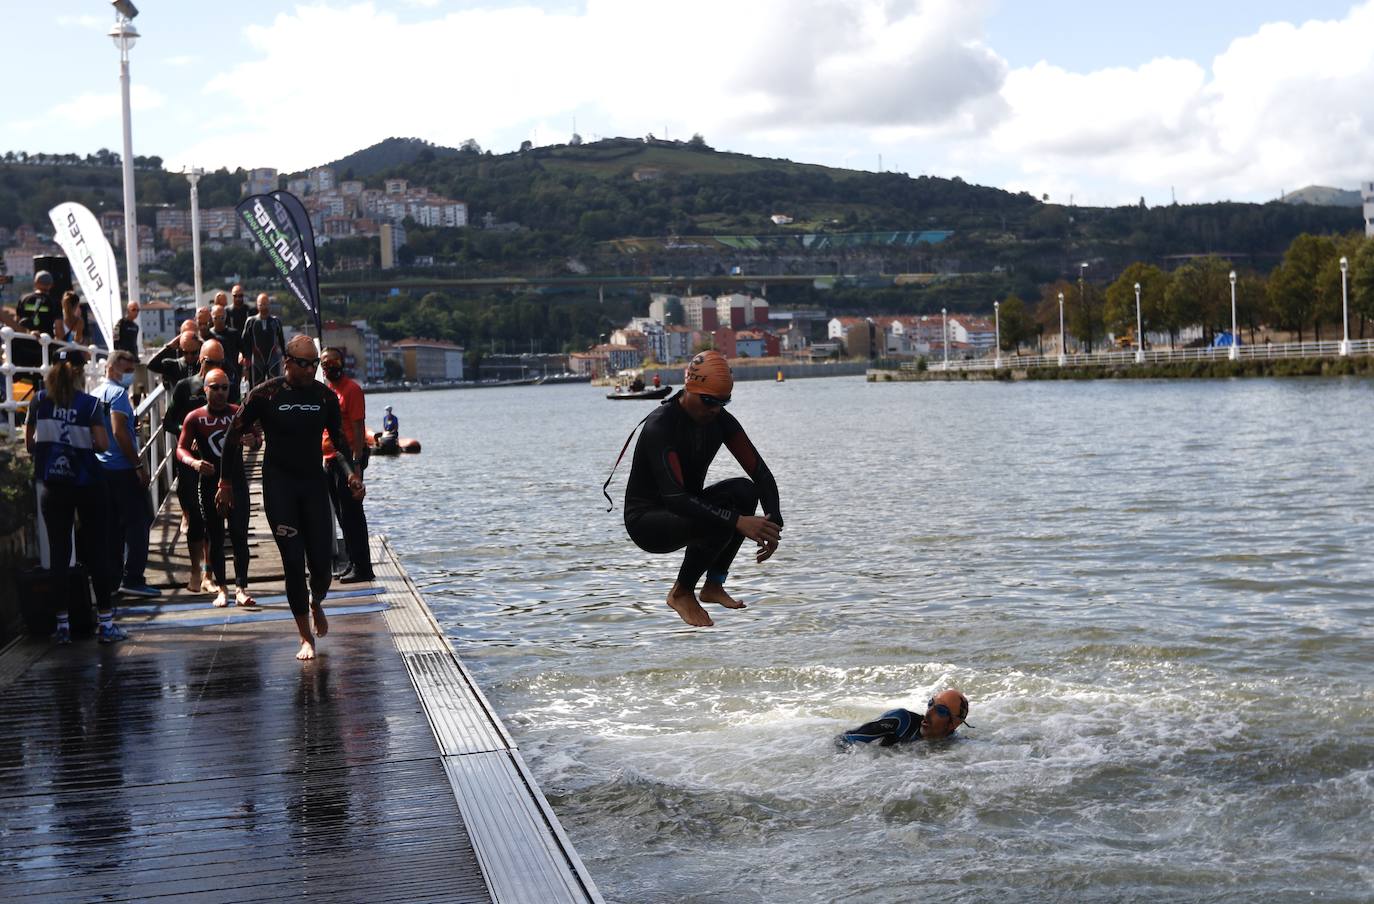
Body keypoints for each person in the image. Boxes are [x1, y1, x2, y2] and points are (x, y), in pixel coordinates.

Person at [222, 335, 365, 661]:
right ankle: (305, 638)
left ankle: (316, 601)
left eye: (314, 363)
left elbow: (340, 445)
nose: (311, 368)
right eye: (304, 363)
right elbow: (232, 437)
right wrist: (225, 482)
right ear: (287, 361)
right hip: (279, 487)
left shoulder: (324, 397)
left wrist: (351, 474)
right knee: (292, 563)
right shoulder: (266, 394)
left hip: (313, 485)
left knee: (322, 568)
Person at [621, 350, 782, 627]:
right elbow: (675, 499)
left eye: (722, 403)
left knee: (745, 492)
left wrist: (773, 522)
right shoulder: (661, 425)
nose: (714, 410)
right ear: (690, 390)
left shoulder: (720, 419)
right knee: (723, 518)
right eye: (708, 402)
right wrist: (738, 522)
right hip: (648, 522)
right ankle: (682, 592)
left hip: (688, 508)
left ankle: (714, 584)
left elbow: (760, 473)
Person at [23, 348, 125, 644]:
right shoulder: (90, 404)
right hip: (87, 483)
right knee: (97, 552)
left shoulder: (38, 401)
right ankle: (105, 625)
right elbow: (103, 445)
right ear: (80, 372)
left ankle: (63, 627)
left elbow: (30, 445)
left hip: (53, 485)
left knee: (58, 556)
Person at [178, 368, 259, 608]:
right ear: (205, 389)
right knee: (214, 536)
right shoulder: (195, 417)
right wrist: (194, 462)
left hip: (237, 484)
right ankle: (222, 588)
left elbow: (257, 439)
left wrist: (252, 441)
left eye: (225, 387)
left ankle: (241, 588)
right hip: (209, 484)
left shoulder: (238, 413)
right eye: (215, 387)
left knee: (238, 535)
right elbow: (180, 449)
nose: (221, 392)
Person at [93, 350, 159, 599]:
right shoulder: (118, 393)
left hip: (101, 469)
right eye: (127, 369)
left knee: (111, 528)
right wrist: (138, 466)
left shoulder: (95, 393)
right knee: (139, 523)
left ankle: (113, 580)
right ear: (112, 368)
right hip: (121, 468)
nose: (130, 374)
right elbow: (119, 431)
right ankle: (134, 578)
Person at [164, 338, 227, 593]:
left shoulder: (225, 386)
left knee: (214, 521)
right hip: (192, 464)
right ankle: (194, 569)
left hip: (216, 463)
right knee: (196, 518)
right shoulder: (184, 387)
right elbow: (168, 421)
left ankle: (208, 573)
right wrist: (187, 435)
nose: (217, 366)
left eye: (221, 362)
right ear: (201, 361)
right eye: (211, 362)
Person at [321, 347, 374, 583]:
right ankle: (351, 561)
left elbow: (358, 428)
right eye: (324, 364)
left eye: (333, 363)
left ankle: (363, 567)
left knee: (353, 515)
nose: (329, 367)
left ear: (341, 363)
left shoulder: (351, 390)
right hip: (330, 460)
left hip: (348, 460)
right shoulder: (326, 390)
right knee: (342, 516)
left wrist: (357, 465)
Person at [839, 689, 973, 746]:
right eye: (930, 704)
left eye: (940, 711)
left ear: (953, 724)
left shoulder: (954, 744)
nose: (928, 713)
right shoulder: (901, 721)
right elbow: (844, 739)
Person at [240, 293, 285, 389]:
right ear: (257, 305)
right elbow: (244, 341)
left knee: (275, 387)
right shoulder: (251, 321)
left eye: (266, 304)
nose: (264, 307)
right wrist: (245, 357)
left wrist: (285, 357)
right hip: (257, 359)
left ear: (269, 305)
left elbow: (281, 340)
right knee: (257, 388)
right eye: (261, 304)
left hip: (273, 358)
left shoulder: (275, 321)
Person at [209, 302, 244, 402]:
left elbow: (244, 350)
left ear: (226, 317)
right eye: (216, 318)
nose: (219, 321)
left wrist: (242, 357)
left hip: (232, 375)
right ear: (211, 318)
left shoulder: (234, 333)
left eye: (222, 318)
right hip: (213, 377)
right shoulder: (208, 335)